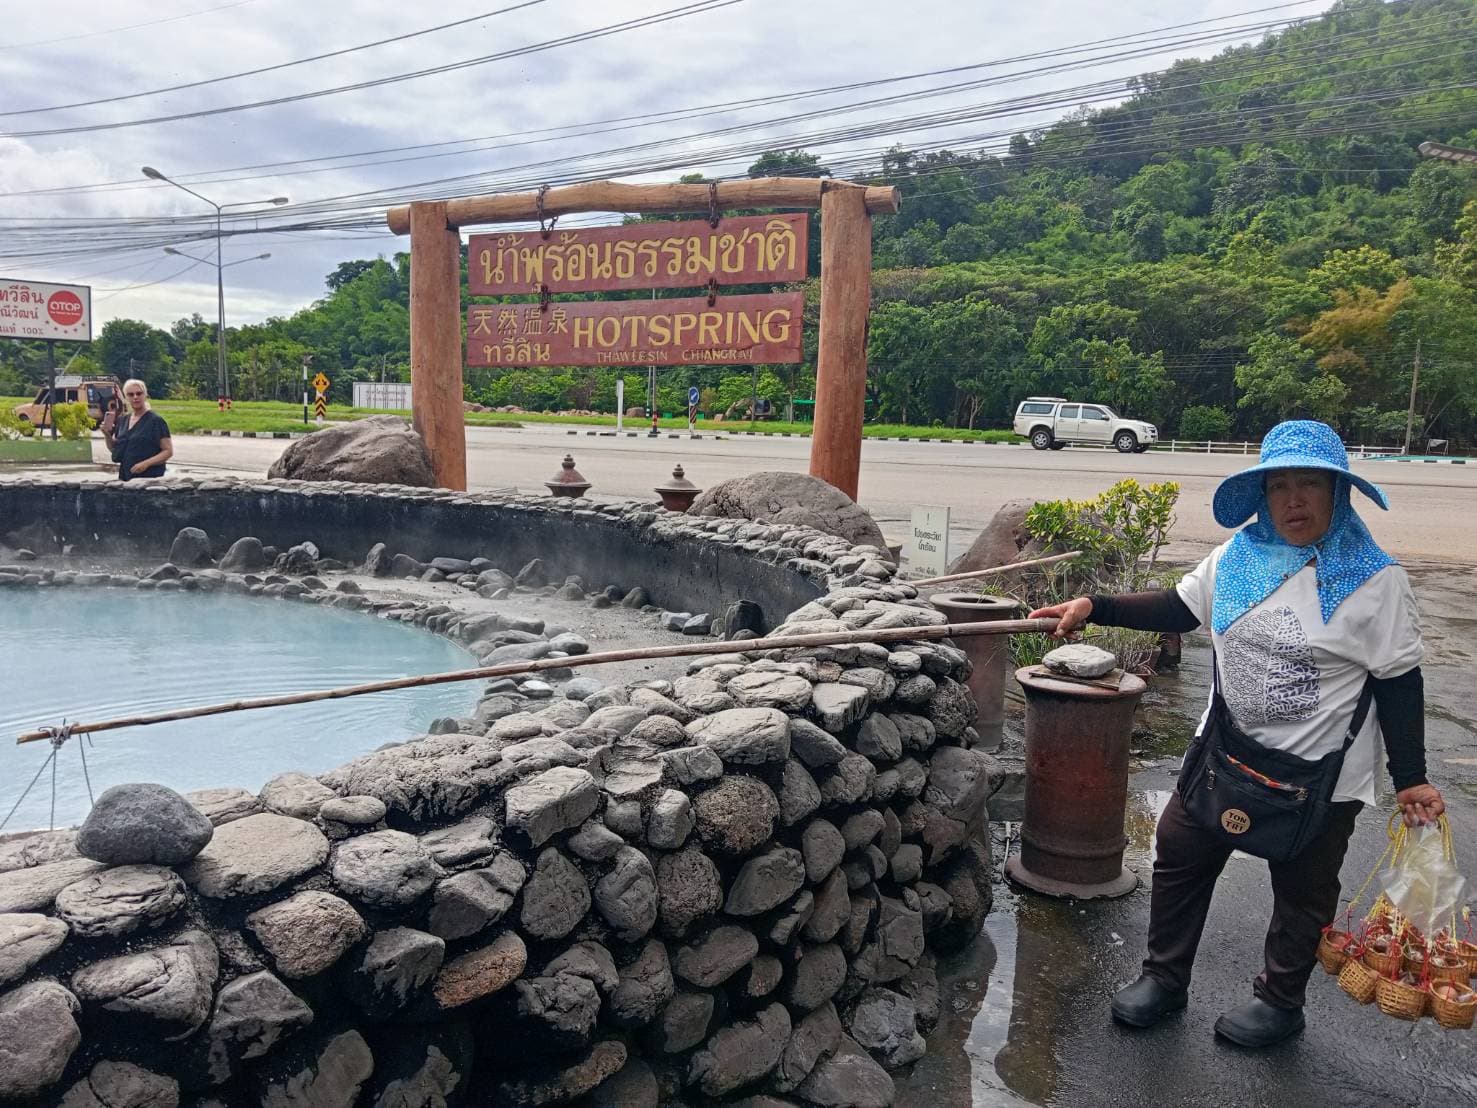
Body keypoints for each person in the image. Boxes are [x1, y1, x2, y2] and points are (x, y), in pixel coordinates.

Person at [1029, 419, 1444, 1049]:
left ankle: (1280, 1002)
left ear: (1338, 492)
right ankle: (1164, 980)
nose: (1294, 500)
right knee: (1179, 855)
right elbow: (1178, 606)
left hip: (1322, 772)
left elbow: (1398, 680)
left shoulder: (1374, 580)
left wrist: (1410, 779)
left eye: (1311, 484)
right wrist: (1096, 606)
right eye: (1280, 485)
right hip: (1226, 749)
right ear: (1262, 495)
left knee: (1303, 893)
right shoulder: (1237, 558)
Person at [102, 378, 172, 481]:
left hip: (149, 479)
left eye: (139, 393)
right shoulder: (123, 420)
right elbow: (115, 450)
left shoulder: (156, 421)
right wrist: (107, 435)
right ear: (126, 398)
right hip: (125, 477)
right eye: (131, 394)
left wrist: (146, 464)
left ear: (145, 396)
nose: (135, 397)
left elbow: (168, 451)